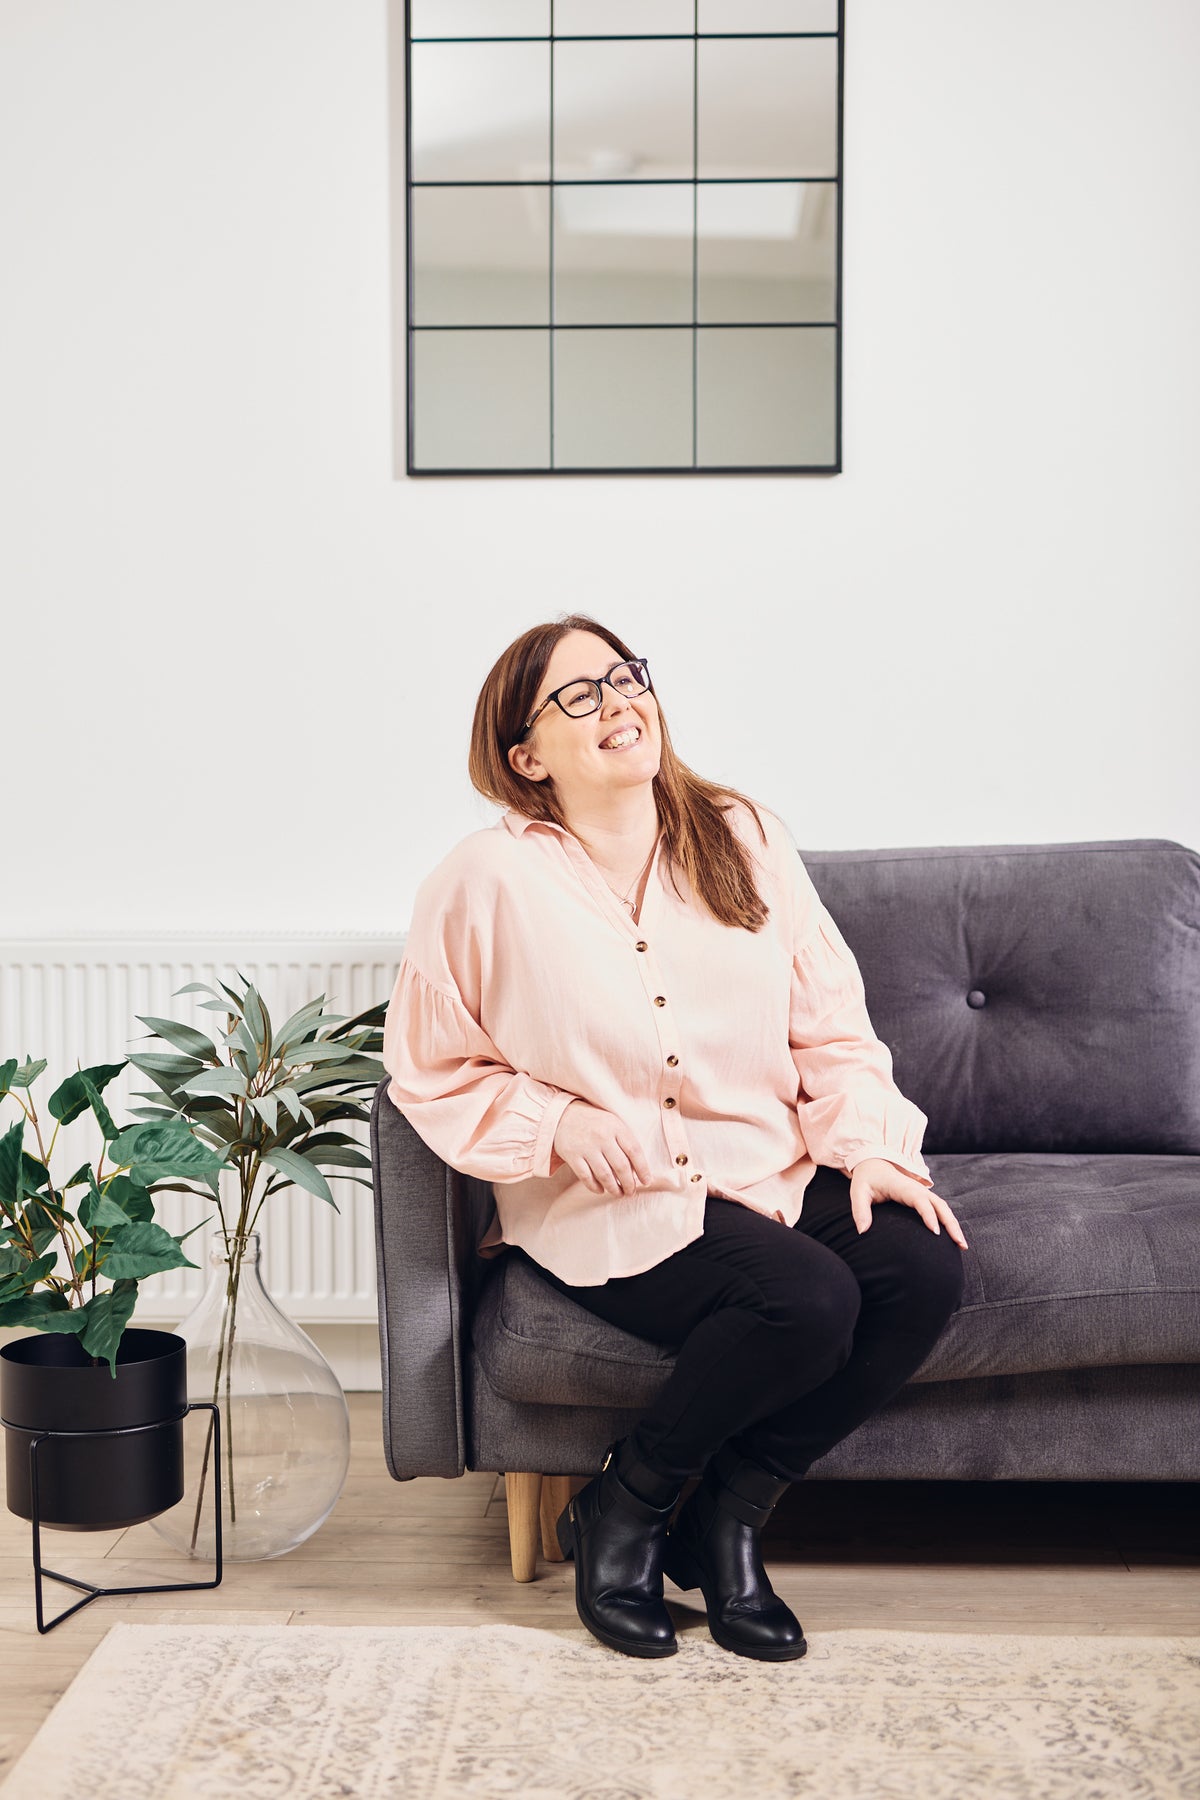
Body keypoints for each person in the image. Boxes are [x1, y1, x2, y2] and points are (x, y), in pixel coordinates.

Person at [383, 614, 968, 1664]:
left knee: (922, 1263)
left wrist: (872, 1148)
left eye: (626, 677)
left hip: (768, 1164)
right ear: (527, 756)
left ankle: (724, 1517)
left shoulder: (742, 835)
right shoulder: (482, 882)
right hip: (617, 1199)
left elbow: (831, 1027)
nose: (619, 703)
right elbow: (429, 1068)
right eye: (579, 695)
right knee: (806, 1299)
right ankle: (629, 1505)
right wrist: (556, 1121)